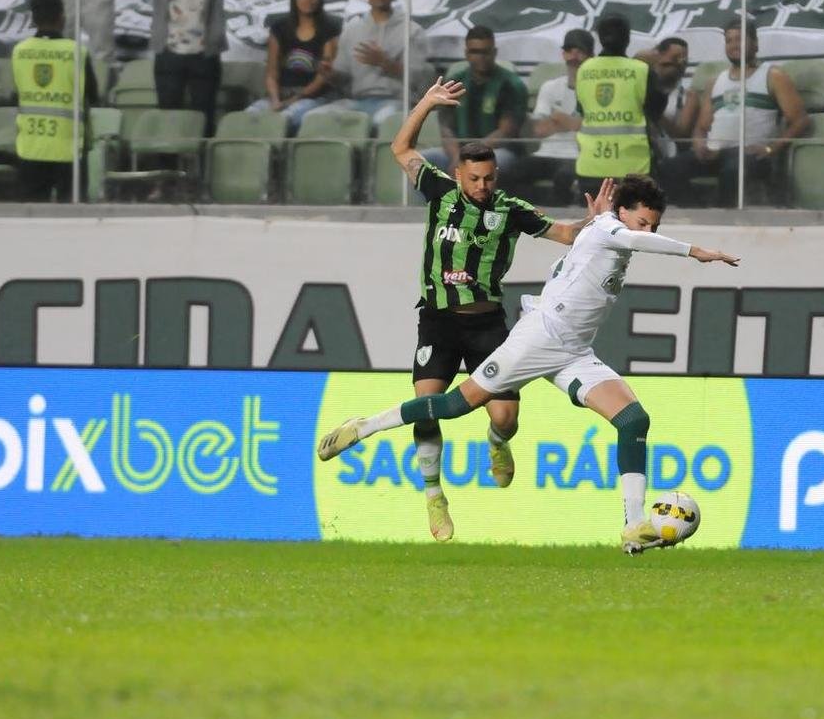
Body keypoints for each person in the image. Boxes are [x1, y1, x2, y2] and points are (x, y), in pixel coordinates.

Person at [317, 172, 740, 553]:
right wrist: (694, 251)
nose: (648, 231)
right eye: (643, 221)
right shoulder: (610, 229)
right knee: (454, 405)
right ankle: (363, 426)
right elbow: (628, 238)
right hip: (540, 337)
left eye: (655, 225)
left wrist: (596, 224)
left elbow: (615, 243)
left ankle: (633, 528)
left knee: (633, 420)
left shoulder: (601, 230)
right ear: (621, 212)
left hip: (574, 351)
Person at [371, 78, 602, 542]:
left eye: (489, 178)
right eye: (474, 178)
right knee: (424, 408)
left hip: (487, 326)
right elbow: (401, 147)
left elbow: (564, 234)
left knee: (504, 418)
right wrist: (427, 104)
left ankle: (498, 444)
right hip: (437, 319)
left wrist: (594, 222)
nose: (481, 186)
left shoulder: (509, 209)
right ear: (458, 174)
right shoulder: (438, 191)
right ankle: (435, 496)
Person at [659, 19, 808, 206]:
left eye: (739, 39)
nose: (733, 45)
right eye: (729, 41)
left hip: (752, 154)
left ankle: (725, 221)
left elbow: (800, 120)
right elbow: (701, 128)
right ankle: (699, 213)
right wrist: (699, 145)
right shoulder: (715, 81)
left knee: (732, 171)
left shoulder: (773, 76)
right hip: (717, 153)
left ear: (755, 44)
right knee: (668, 168)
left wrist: (771, 149)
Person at [125, 0, 252, 138]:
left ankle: (202, 165)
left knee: (203, 117)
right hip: (169, 56)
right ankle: (168, 165)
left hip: (204, 56)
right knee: (167, 115)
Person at [306, 0, 431, 129]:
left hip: (396, 102)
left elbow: (421, 80)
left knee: (382, 121)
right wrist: (330, 74)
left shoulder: (412, 31)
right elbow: (343, 78)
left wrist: (386, 63)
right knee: (314, 117)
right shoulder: (352, 30)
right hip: (357, 102)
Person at [11, 0, 99, 202]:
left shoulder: (20, 51)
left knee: (30, 215)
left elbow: (16, 95)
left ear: (33, 19)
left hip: (30, 145)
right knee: (72, 219)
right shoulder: (76, 51)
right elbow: (93, 95)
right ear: (62, 17)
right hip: (69, 148)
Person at [574, 15, 666, 199]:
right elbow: (657, 108)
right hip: (634, 168)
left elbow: (582, 109)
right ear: (628, 38)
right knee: (634, 224)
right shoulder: (641, 70)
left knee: (595, 224)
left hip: (591, 166)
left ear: (600, 38)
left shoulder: (585, 69)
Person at [500, 28, 593, 205]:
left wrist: (559, 118)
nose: (574, 56)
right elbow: (539, 129)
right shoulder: (550, 87)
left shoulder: (596, 90)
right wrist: (574, 123)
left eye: (580, 51)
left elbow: (593, 128)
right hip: (546, 153)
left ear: (590, 56)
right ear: (563, 54)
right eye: (569, 50)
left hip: (578, 155)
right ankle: (541, 206)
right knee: (506, 176)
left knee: (563, 178)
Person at [423, 25, 528, 173]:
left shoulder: (511, 84)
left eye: (486, 52)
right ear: (466, 53)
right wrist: (457, 158)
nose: (481, 57)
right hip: (458, 153)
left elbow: (506, 132)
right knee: (419, 162)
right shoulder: (453, 83)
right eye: (475, 52)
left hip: (499, 151)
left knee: (492, 163)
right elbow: (446, 129)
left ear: (495, 52)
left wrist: (469, 158)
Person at [245, 0, 341, 133]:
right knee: (248, 117)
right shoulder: (279, 28)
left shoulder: (330, 28)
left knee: (286, 119)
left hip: (314, 97)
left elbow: (322, 78)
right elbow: (271, 73)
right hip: (280, 94)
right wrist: (275, 100)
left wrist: (292, 101)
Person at [637, 37, 698, 166]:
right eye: (668, 64)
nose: (676, 68)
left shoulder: (689, 95)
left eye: (683, 63)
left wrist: (655, 112)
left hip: (669, 158)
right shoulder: (639, 90)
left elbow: (682, 136)